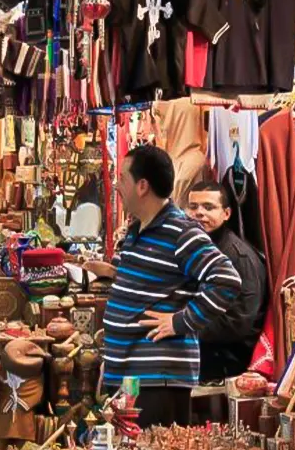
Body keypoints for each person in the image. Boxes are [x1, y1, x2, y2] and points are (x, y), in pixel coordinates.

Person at [84, 145, 241, 428]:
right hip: (131, 373)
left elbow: (226, 280)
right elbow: (152, 277)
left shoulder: (181, 231)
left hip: (159, 378)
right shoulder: (138, 229)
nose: (117, 185)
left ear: (142, 186)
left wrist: (181, 321)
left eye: (123, 178)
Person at [186, 180, 268, 383]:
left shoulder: (239, 258)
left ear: (227, 214)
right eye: (193, 207)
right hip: (201, 348)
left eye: (209, 207)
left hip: (226, 359)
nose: (199, 213)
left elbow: (237, 323)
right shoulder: (199, 247)